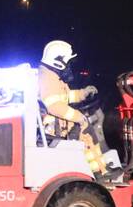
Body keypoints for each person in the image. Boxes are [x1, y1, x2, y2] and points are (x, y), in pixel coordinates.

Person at [38, 40, 122, 182]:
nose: (69, 66)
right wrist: (78, 117)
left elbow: (65, 97)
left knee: (87, 127)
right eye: (68, 62)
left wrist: (83, 93)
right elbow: (54, 106)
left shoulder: (51, 75)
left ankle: (101, 167)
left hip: (56, 124)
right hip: (53, 129)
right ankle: (100, 172)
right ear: (58, 61)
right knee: (86, 132)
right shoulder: (48, 78)